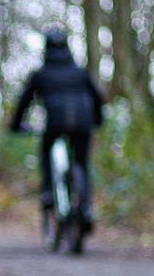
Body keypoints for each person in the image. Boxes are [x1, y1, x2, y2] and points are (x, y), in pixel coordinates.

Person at [9, 29, 104, 233]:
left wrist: (15, 125)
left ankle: (47, 193)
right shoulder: (80, 72)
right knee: (81, 163)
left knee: (46, 152)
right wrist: (98, 120)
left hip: (54, 124)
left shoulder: (41, 74)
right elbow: (97, 98)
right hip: (82, 123)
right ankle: (86, 207)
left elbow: (24, 102)